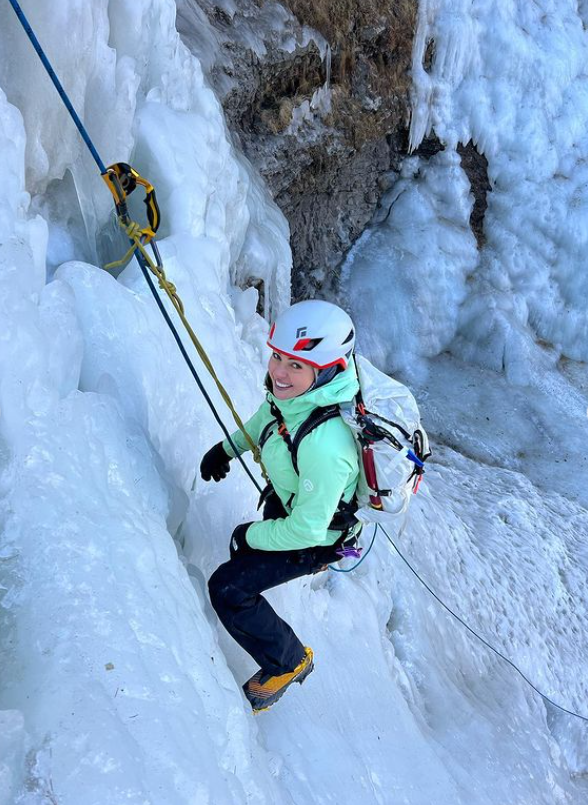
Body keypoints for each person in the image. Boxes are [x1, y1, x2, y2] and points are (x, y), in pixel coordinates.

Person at [201, 299, 361, 712]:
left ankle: (288, 661)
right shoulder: (296, 399)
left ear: (328, 370)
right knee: (246, 556)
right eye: (277, 357)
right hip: (295, 506)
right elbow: (264, 421)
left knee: (228, 587)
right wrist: (226, 449)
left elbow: (307, 529)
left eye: (295, 366)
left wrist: (250, 532)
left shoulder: (327, 445)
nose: (278, 373)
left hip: (316, 536)